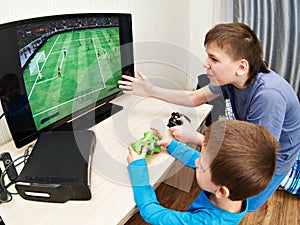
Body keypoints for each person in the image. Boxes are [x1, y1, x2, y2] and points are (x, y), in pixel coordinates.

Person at [119, 22, 300, 210]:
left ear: (241, 66)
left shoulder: (268, 97)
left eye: (214, 59)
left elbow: (254, 158)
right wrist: (150, 91)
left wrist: (196, 137)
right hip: (253, 146)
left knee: (240, 206)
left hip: (270, 161)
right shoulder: (233, 79)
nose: (205, 63)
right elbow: (194, 97)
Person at [127, 120, 278, 224]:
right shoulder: (236, 191)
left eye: (202, 165)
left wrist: (137, 168)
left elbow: (152, 213)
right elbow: (197, 159)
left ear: (221, 191)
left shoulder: (205, 222)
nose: (197, 161)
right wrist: (171, 144)